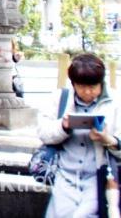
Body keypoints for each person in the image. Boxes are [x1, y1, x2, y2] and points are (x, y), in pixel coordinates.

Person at [38, 53, 121, 217]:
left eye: (93, 87)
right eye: (82, 87)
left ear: (101, 83)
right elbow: (43, 133)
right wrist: (63, 126)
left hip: (98, 176)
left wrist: (107, 139)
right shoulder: (59, 99)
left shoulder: (116, 102)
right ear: (73, 84)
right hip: (65, 175)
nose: (88, 92)